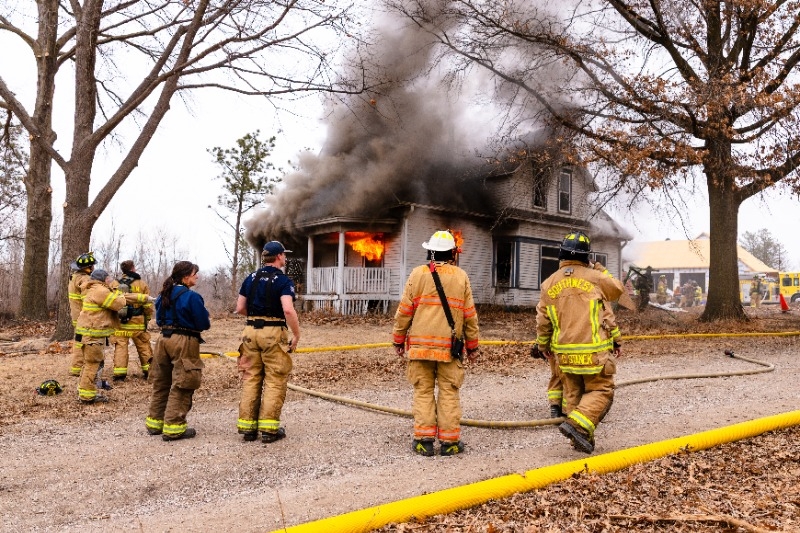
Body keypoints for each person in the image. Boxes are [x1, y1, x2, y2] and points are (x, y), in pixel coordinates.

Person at [535, 231, 625, 454]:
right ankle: (577, 427)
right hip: (593, 353)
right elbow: (617, 289)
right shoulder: (595, 278)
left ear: (561, 254)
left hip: (564, 355)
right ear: (587, 256)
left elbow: (543, 321)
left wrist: (543, 346)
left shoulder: (548, 283)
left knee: (573, 394)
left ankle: (579, 440)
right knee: (602, 390)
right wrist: (599, 268)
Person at [392, 230, 480, 456]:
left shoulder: (417, 274)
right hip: (449, 350)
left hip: (420, 350)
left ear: (430, 252)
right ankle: (450, 443)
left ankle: (424, 441)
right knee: (449, 392)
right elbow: (470, 316)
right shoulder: (460, 277)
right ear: (452, 253)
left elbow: (404, 312)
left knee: (423, 391)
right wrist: (472, 346)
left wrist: (398, 340)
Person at [234, 241, 301, 444]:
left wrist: (257, 316)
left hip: (249, 332)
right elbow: (288, 309)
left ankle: (248, 428)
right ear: (279, 256)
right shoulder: (283, 281)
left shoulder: (250, 278)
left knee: (251, 377)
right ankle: (269, 429)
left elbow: (240, 308)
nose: (285, 258)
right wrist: (296, 334)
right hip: (273, 332)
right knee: (275, 378)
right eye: (284, 255)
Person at [145, 261, 210, 441]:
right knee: (183, 382)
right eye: (195, 274)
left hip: (163, 340)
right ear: (185, 276)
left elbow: (159, 320)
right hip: (184, 341)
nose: (197, 276)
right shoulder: (192, 297)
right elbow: (203, 323)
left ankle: (155, 424)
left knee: (161, 382)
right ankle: (174, 427)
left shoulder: (163, 295)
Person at [75, 268, 126, 404]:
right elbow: (118, 304)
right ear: (103, 279)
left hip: (87, 334)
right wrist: (121, 295)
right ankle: (87, 396)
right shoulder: (100, 290)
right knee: (93, 364)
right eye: (108, 278)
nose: (110, 280)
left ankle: (83, 391)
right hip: (92, 336)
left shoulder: (93, 289)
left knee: (88, 364)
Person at [109, 260, 154, 381]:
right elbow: (147, 305)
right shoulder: (141, 284)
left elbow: (110, 302)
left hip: (120, 323)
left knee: (120, 346)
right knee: (144, 346)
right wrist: (147, 318)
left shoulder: (114, 283)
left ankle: (119, 374)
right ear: (133, 268)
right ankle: (149, 371)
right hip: (137, 322)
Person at [67, 252, 96, 377]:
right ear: (88, 268)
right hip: (84, 317)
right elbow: (88, 300)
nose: (94, 268)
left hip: (77, 316)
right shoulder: (85, 280)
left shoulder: (74, 277)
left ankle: (76, 368)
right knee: (83, 342)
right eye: (92, 266)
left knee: (79, 340)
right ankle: (79, 367)